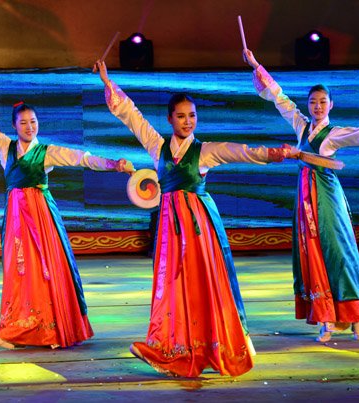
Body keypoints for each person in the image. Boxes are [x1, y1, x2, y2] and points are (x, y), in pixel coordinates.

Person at [94, 60, 299, 377]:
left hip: (197, 229)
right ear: (169, 119)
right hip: (169, 229)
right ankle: (170, 344)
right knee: (170, 284)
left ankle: (205, 346)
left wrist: (279, 153)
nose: (187, 121)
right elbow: (132, 117)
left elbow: (242, 151)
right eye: (181, 116)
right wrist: (107, 82)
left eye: (192, 115)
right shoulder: (158, 146)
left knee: (200, 283)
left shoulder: (204, 151)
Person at [0, 73, 134, 350]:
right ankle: (13, 329)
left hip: (41, 218)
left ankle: (53, 329)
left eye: (33, 121)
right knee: (18, 271)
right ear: (14, 126)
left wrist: (113, 164)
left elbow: (80, 158)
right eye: (23, 122)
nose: (29, 127)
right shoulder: (4, 146)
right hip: (16, 219)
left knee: (47, 269)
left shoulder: (46, 152)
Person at [243, 49, 359, 343]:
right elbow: (279, 98)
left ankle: (357, 317)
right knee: (313, 254)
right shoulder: (301, 125)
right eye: (313, 101)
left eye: (323, 101)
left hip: (327, 197)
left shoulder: (335, 133)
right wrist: (256, 64)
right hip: (305, 197)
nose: (317, 106)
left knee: (339, 251)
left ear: (331, 105)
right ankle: (326, 320)